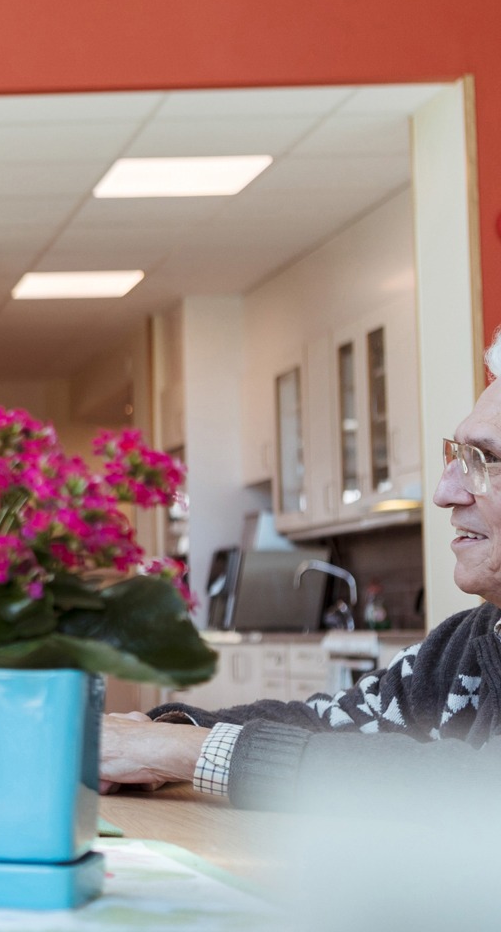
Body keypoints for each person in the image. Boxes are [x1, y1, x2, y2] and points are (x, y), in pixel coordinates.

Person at [100, 337, 501, 808]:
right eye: (455, 456)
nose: (444, 492)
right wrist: (159, 735)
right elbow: (329, 722)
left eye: (486, 460)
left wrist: (188, 752)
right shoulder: (463, 648)